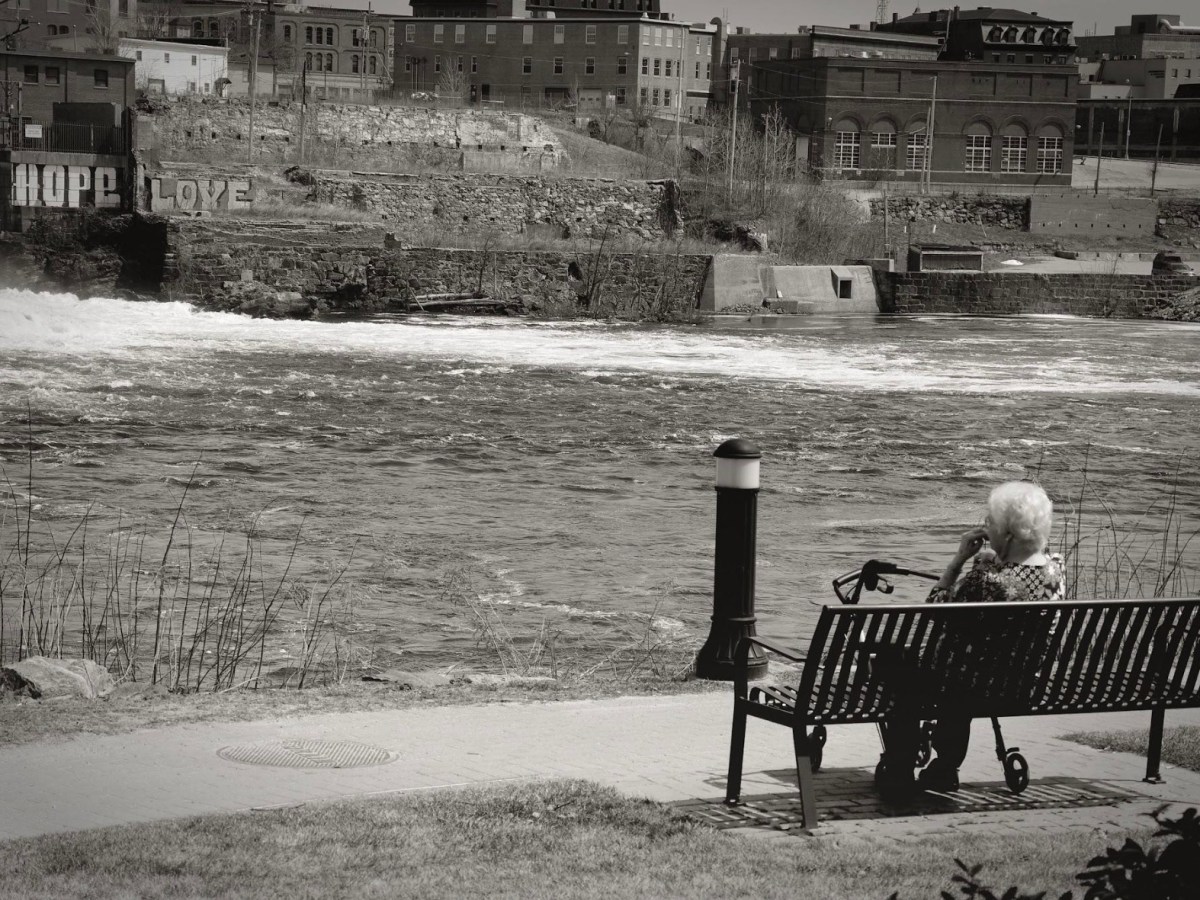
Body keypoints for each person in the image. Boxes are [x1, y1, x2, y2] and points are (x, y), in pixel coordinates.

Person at [878, 481, 1065, 798]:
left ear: (1008, 534)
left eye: (990, 521)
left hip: (970, 685)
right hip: (1022, 684)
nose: (985, 526)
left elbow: (934, 609)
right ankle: (944, 766)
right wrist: (999, 557)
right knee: (961, 676)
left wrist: (959, 560)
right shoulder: (1055, 569)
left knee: (899, 671)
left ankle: (899, 768)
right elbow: (1021, 571)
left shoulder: (985, 578)